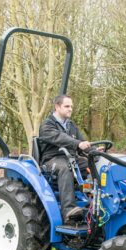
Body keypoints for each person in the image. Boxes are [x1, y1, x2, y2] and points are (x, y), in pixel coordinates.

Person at [39, 94, 91, 223]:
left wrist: (94, 151)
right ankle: (68, 210)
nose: (70, 109)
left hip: (71, 158)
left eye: (71, 106)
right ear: (57, 107)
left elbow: (81, 142)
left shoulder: (71, 125)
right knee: (66, 168)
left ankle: (94, 201)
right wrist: (77, 143)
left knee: (93, 164)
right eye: (67, 106)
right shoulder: (47, 125)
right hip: (53, 159)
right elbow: (60, 138)